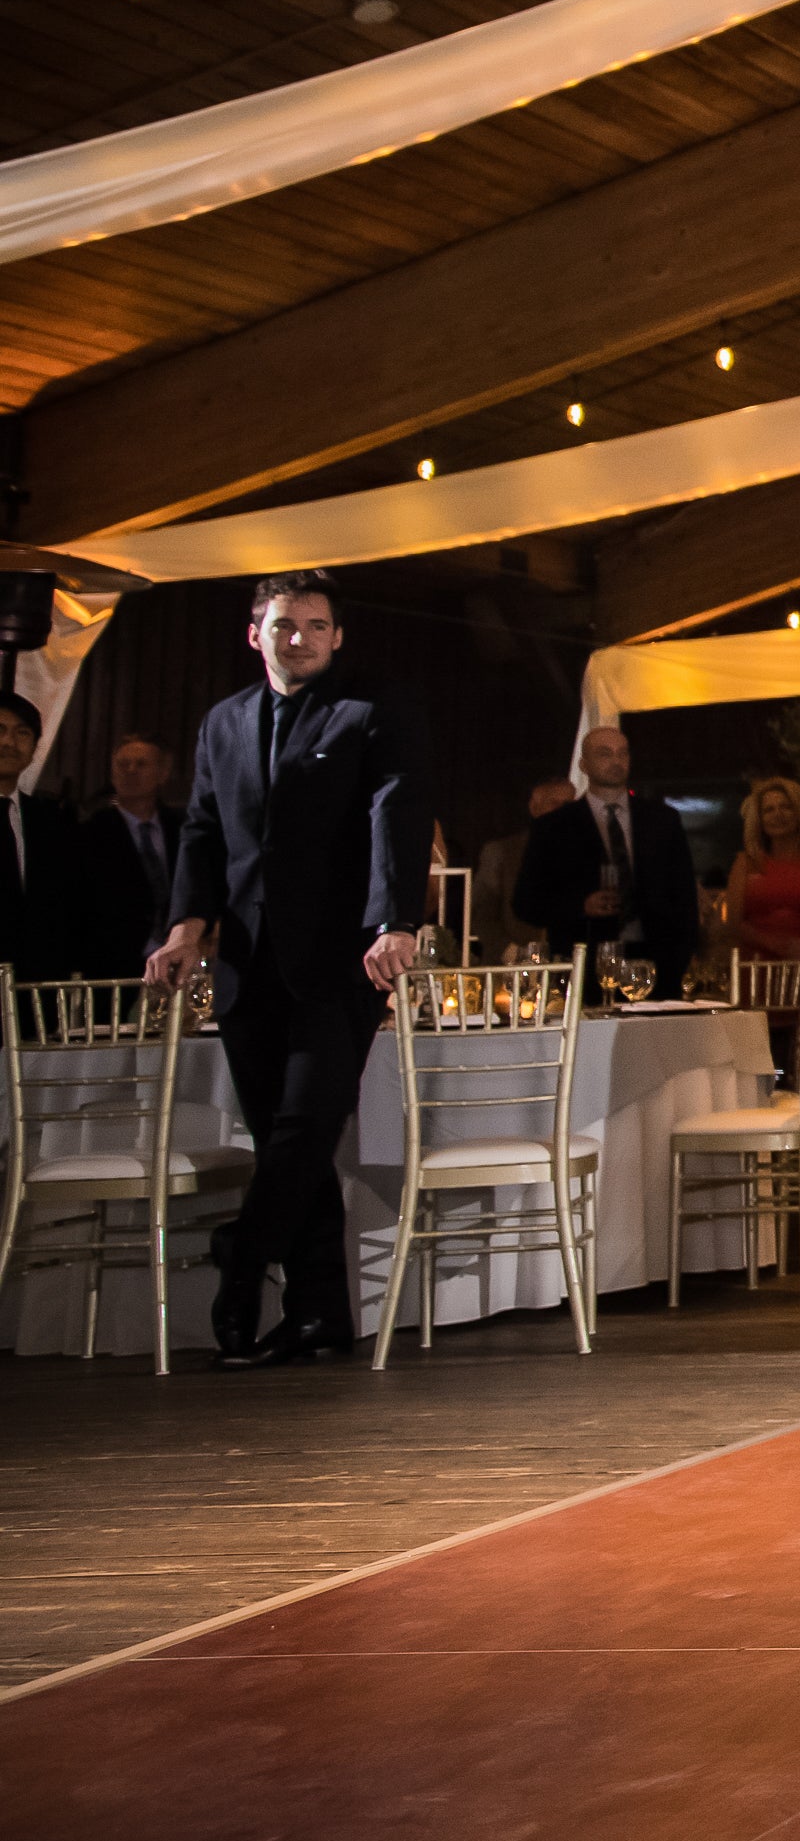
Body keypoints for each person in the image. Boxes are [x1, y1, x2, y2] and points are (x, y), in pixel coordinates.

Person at [146, 573, 431, 1367]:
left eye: (314, 624)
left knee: (307, 1123)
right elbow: (202, 830)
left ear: (337, 636)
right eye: (283, 624)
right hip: (245, 960)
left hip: (343, 956)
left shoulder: (372, 708)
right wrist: (184, 926)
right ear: (256, 634)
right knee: (282, 1138)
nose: (298, 636)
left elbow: (396, 810)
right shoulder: (224, 721)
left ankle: (239, 1259)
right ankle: (318, 1318)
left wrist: (396, 920)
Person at [514, 725, 701, 990]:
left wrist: (682, 954)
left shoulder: (661, 820)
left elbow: (683, 893)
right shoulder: (555, 826)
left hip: (656, 961)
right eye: (605, 754)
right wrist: (580, 906)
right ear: (583, 764)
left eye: (623, 754)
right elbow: (525, 903)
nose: (616, 761)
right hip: (585, 962)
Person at [80, 731, 182, 978]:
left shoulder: (182, 828)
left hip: (173, 958)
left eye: (141, 764)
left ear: (163, 773)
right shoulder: (89, 831)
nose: (131, 771)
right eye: (123, 764)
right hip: (110, 962)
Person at [0, 691, 85, 979]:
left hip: (36, 990)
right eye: (0, 730)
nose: (9, 742)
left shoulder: (51, 819)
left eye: (21, 733)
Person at [722, 777, 800, 970]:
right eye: (769, 810)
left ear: (798, 812)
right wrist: (773, 944)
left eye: (786, 807)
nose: (778, 815)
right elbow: (733, 922)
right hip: (755, 964)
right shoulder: (745, 862)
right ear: (759, 818)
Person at [462, 776, 567, 966]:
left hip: (570, 971)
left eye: (570, 805)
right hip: (510, 976)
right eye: (554, 804)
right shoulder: (502, 853)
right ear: (535, 808)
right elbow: (482, 916)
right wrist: (514, 954)